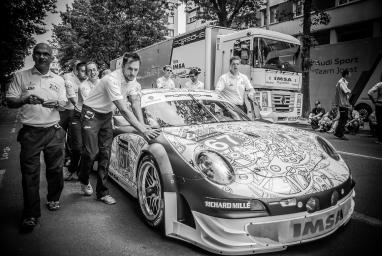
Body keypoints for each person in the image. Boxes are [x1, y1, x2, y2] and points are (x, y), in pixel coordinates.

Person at [78, 52, 160, 205]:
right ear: (122, 66)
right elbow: (123, 109)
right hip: (91, 112)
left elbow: (135, 103)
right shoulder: (111, 79)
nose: (133, 73)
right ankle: (82, 178)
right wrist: (143, 130)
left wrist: (143, 126)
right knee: (90, 153)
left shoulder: (133, 81)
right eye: (130, 69)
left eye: (136, 70)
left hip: (106, 115)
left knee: (105, 154)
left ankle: (102, 192)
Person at [6, 43, 67, 231]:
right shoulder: (20, 76)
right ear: (33, 56)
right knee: (29, 174)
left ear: (51, 57)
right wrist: (24, 99)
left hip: (53, 131)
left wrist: (51, 102)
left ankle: (53, 198)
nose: (42, 57)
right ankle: (31, 214)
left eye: (46, 54)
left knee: (56, 170)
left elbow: (64, 104)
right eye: (38, 54)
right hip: (30, 133)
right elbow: (10, 100)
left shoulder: (58, 79)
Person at [65, 61, 100, 181]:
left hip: (91, 117)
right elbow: (85, 103)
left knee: (88, 150)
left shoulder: (100, 83)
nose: (87, 73)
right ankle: (71, 169)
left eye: (89, 70)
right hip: (78, 116)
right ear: (76, 71)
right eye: (84, 71)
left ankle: (81, 174)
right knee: (77, 148)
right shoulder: (77, 84)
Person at [61, 61, 87, 168]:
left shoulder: (86, 78)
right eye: (81, 70)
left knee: (74, 137)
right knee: (62, 135)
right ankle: (65, 158)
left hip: (78, 111)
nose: (84, 73)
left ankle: (72, 159)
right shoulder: (67, 77)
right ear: (75, 70)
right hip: (66, 110)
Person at [334, 69, 352, 140]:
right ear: (346, 74)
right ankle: (340, 134)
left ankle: (338, 133)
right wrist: (349, 90)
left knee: (343, 119)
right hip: (343, 104)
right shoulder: (341, 82)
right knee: (343, 119)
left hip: (343, 103)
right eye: (349, 73)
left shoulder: (342, 82)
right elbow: (346, 91)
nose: (350, 75)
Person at [368, 73, 382, 144]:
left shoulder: (380, 84)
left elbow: (369, 93)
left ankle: (380, 139)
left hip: (379, 104)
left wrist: (374, 101)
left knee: (380, 121)